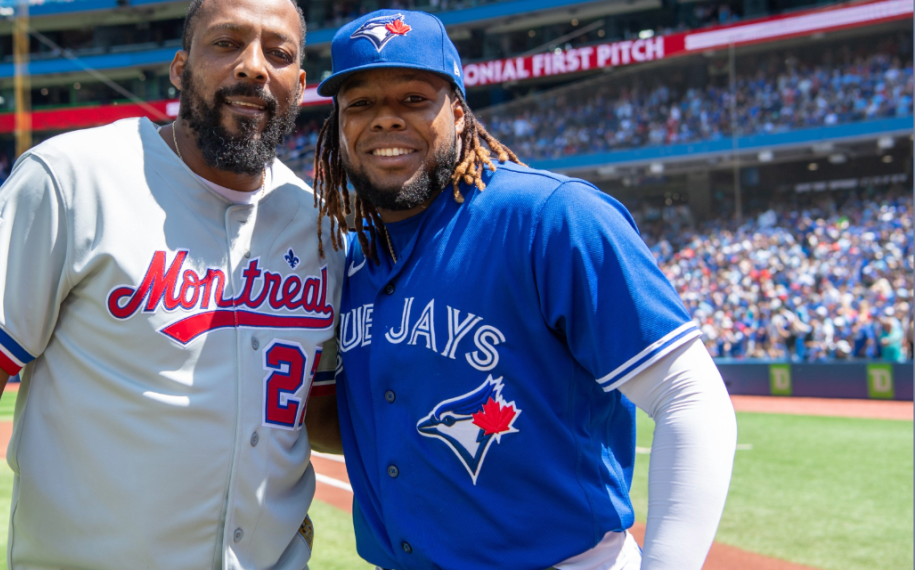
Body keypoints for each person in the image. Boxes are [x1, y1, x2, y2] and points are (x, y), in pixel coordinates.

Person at [0, 0, 344, 567]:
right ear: (178, 67)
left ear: (300, 84)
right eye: (226, 43)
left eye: (279, 53)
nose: (254, 66)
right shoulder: (74, 176)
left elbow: (319, 413)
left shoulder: (320, 227)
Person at [304, 10, 737, 570]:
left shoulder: (552, 217)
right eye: (360, 104)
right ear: (338, 126)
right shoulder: (353, 258)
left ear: (459, 113)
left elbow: (691, 400)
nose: (385, 120)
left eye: (413, 98)